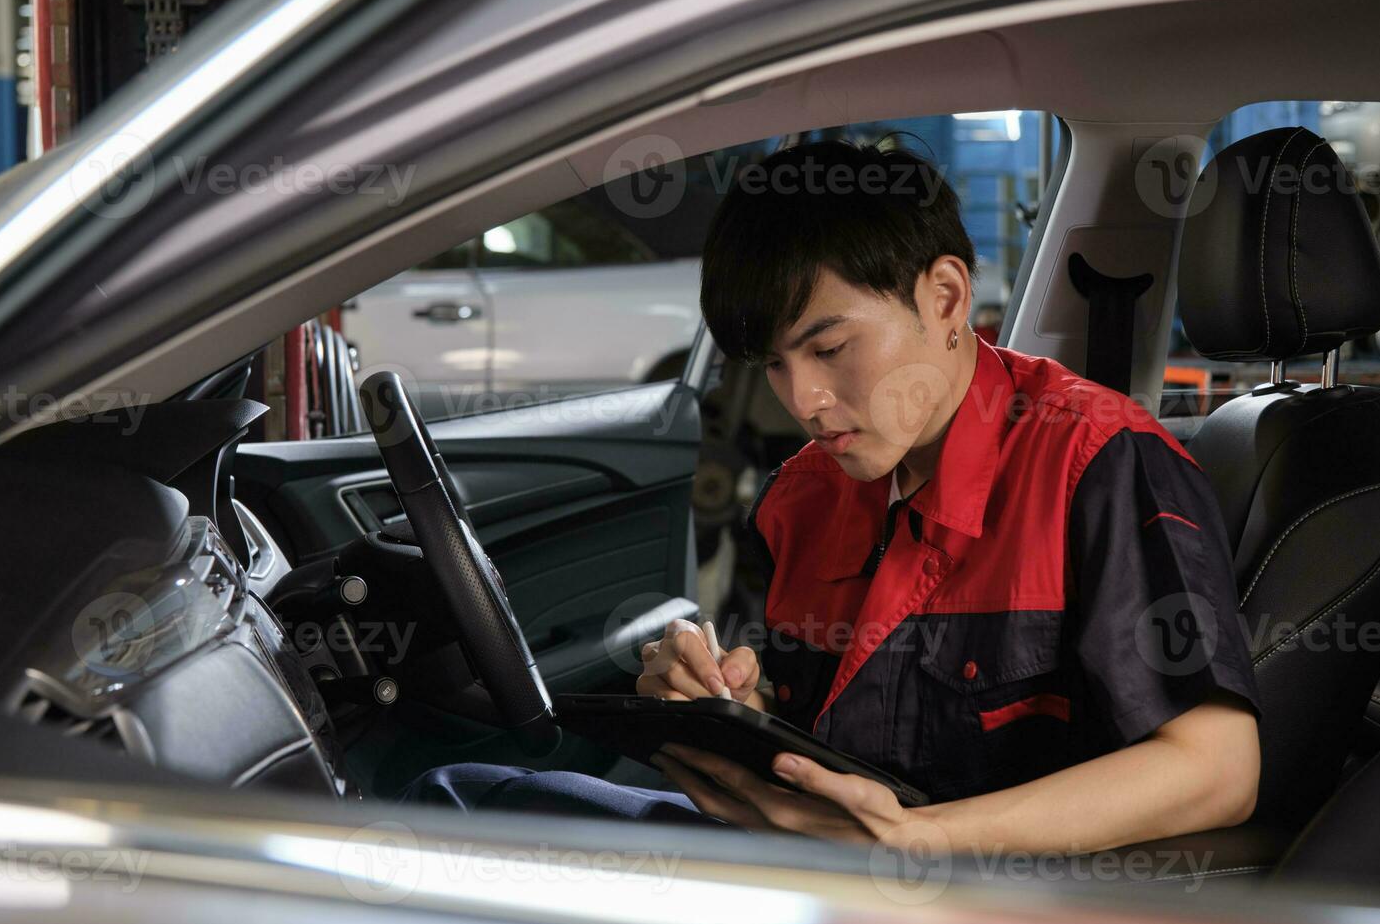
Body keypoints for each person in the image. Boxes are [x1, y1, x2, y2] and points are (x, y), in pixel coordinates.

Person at [401, 139, 1263, 854]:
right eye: (774, 364)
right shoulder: (809, 494)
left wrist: (922, 840)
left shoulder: (1097, 465)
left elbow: (1217, 766)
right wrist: (731, 710)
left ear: (947, 296)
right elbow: (809, 719)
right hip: (809, 864)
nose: (802, 401)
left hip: (968, 896)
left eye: (830, 347)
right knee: (456, 802)